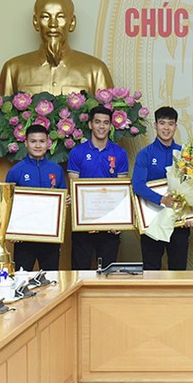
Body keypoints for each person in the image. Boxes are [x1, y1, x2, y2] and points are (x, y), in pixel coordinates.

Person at [0, 0, 113, 96]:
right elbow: (1, 115)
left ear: (72, 23)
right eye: (45, 17)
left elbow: (107, 115)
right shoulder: (13, 70)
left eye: (60, 17)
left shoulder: (96, 71)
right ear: (36, 22)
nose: (53, 24)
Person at [67, 106, 129, 269]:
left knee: (109, 274)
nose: (102, 126)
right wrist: (87, 222)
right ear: (90, 125)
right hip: (84, 226)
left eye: (106, 123)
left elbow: (121, 191)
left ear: (110, 126)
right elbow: (75, 190)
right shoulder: (77, 152)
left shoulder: (120, 154)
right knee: (79, 272)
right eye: (97, 122)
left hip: (110, 227)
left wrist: (118, 222)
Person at [132, 106, 188, 270]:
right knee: (151, 269)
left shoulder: (184, 154)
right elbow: (137, 185)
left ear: (176, 126)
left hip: (179, 221)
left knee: (178, 270)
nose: (166, 128)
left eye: (170, 124)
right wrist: (162, 200)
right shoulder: (145, 154)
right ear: (155, 125)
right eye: (162, 123)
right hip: (152, 220)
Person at [5, 124, 67, 271]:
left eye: (41, 141)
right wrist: (11, 230)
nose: (38, 145)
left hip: (50, 236)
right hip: (24, 238)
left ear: (48, 143)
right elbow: (7, 204)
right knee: (21, 278)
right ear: (26, 143)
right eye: (33, 141)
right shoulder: (15, 171)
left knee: (52, 279)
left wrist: (65, 202)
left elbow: (62, 198)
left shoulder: (56, 169)